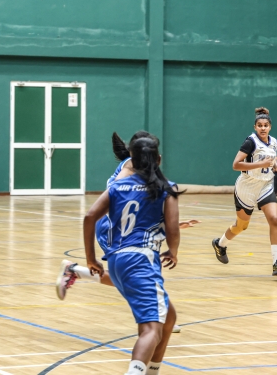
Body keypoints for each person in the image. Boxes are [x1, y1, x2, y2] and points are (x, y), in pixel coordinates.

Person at [83, 135, 180, 375]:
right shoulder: (166, 187)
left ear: (132, 162)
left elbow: (89, 217)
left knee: (168, 318)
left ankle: (151, 371)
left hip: (117, 260)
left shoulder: (117, 186)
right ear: (158, 159)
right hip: (141, 260)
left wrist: (91, 259)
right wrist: (173, 251)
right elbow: (172, 228)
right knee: (151, 330)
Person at [211, 107, 277, 276]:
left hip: (265, 186)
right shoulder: (250, 142)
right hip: (247, 188)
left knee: (274, 219)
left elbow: (271, 160)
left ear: (270, 127)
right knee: (241, 226)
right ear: (255, 127)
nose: (263, 128)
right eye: (260, 125)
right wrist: (261, 164)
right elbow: (236, 165)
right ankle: (220, 244)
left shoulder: (274, 142)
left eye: (266, 125)